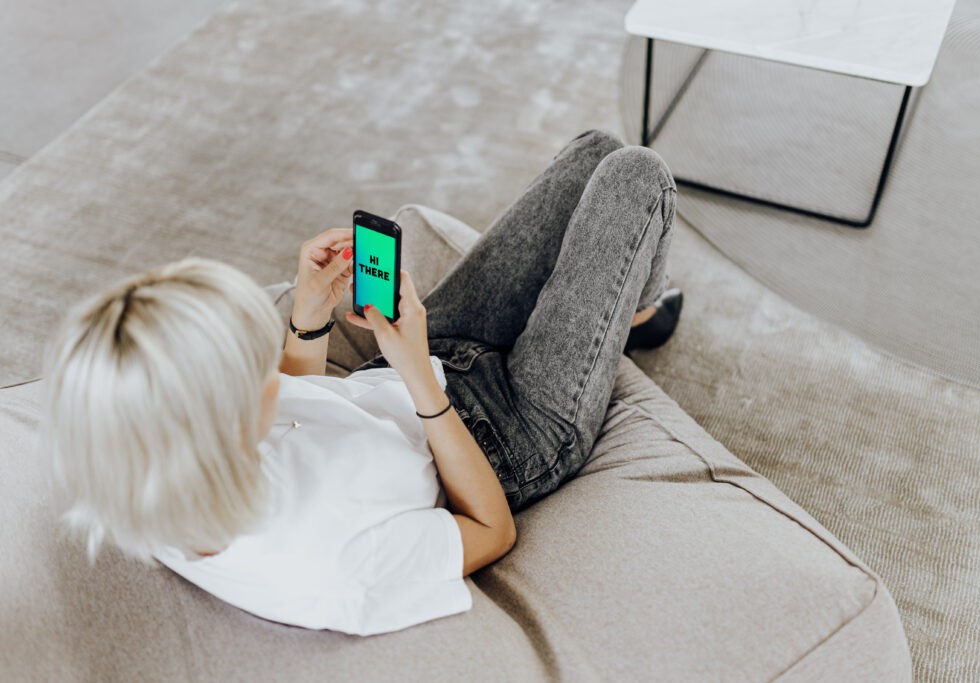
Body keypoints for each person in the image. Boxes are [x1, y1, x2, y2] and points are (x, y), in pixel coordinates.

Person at [41, 130, 681, 636]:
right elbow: (491, 529)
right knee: (635, 176)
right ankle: (635, 313)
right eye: (250, 363)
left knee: (595, 150)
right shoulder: (334, 568)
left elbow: (293, 406)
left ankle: (616, 303)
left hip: (408, 371)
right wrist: (414, 375)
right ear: (223, 418)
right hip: (507, 441)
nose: (266, 367)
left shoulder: (160, 468)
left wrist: (310, 313)